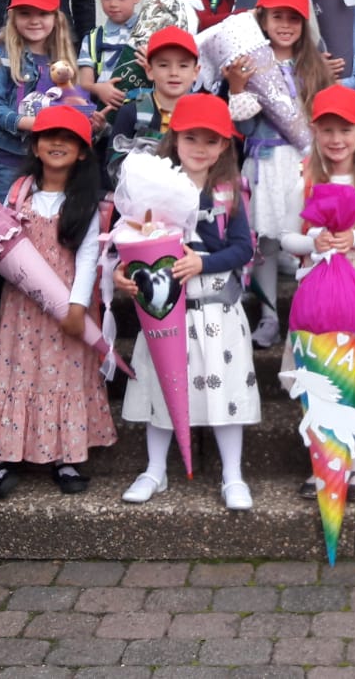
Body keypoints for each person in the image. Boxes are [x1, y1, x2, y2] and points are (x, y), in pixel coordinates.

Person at [115, 94, 260, 510]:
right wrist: (122, 274)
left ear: (224, 146)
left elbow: (243, 248)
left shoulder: (228, 192)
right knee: (162, 387)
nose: (200, 148)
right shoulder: (152, 185)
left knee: (225, 390)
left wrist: (203, 262)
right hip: (165, 310)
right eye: (190, 138)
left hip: (216, 310)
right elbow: (129, 240)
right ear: (174, 138)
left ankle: (233, 474)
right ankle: (154, 469)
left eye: (211, 140)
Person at [0, 106, 117, 499]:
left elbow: (88, 257)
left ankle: (65, 456)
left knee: (65, 375)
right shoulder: (19, 192)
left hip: (69, 304)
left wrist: (77, 307)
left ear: (84, 151)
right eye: (49, 136)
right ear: (35, 145)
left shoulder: (86, 200)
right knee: (16, 372)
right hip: (22, 305)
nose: (58, 143)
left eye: (69, 138)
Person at [279, 86, 355, 502]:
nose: (336, 139)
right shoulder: (305, 177)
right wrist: (311, 241)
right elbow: (286, 237)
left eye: (345, 130)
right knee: (320, 378)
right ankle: (323, 463)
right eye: (327, 130)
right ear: (314, 131)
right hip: (319, 299)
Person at [229, 0, 320, 350]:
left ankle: (307, 315)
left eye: (293, 18)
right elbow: (246, 127)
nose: (285, 25)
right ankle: (269, 316)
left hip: (304, 163)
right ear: (263, 21)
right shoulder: (249, 64)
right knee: (264, 241)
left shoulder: (314, 67)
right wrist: (238, 88)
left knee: (308, 237)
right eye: (277, 17)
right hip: (264, 164)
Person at [0, 0, 82, 202]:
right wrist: (31, 124)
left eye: (43, 13)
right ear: (13, 17)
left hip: (53, 157)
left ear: (56, 17)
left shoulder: (63, 58)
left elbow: (72, 104)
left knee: (48, 210)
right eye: (25, 13)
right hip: (9, 155)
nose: (34, 21)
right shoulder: (1, 55)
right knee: (7, 211)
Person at [107, 26, 199, 180]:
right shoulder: (132, 112)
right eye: (163, 65)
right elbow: (113, 163)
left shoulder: (201, 115)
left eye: (183, 66)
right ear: (149, 70)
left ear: (195, 72)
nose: (174, 73)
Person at [78, 0, 149, 115]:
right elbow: (84, 82)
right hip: (104, 116)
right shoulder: (92, 38)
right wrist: (99, 89)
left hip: (142, 114)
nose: (113, 4)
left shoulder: (148, 34)